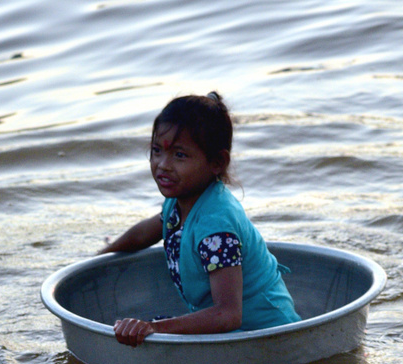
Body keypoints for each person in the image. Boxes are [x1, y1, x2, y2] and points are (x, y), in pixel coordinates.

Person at [99, 91, 301, 346]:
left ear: (217, 162)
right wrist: (100, 256)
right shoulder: (181, 199)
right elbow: (146, 232)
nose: (163, 164)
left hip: (267, 336)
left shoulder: (216, 227)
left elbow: (228, 315)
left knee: (150, 334)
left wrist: (151, 327)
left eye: (180, 155)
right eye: (156, 150)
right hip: (231, 330)